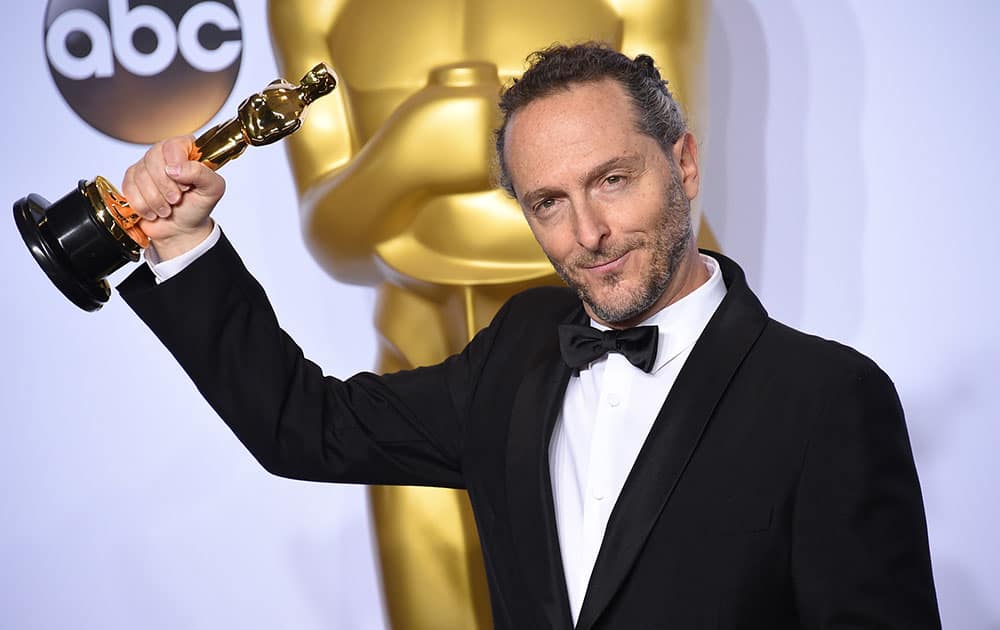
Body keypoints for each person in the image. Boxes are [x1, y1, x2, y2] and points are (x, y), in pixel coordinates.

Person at [118, 43, 940, 629]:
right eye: (548, 202)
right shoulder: (517, 349)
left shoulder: (828, 396)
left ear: (683, 165)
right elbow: (305, 429)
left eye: (613, 180)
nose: (590, 230)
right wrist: (187, 245)